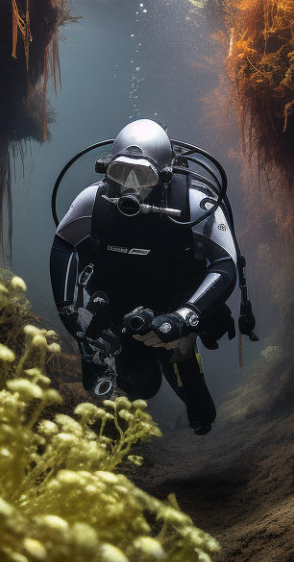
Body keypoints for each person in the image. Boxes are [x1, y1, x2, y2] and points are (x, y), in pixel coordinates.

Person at [48, 119, 238, 435]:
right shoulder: (93, 202)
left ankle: (186, 364)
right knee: (143, 388)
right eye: (121, 172)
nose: (131, 185)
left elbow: (225, 263)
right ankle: (156, 369)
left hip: (177, 308)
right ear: (107, 169)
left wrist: (185, 318)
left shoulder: (193, 203)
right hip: (120, 311)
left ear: (165, 175)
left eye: (144, 175)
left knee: (200, 409)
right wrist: (71, 316)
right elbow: (64, 245)